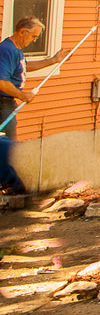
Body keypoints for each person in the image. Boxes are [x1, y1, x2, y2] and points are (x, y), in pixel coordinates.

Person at [0, 17, 64, 196]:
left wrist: (53, 60)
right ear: (22, 32)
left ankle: (11, 185)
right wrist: (22, 95)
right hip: (2, 103)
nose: (34, 40)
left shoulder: (17, 51)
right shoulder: (6, 50)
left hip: (7, 102)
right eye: (33, 36)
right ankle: (13, 186)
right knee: (8, 146)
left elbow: (25, 68)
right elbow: (1, 82)